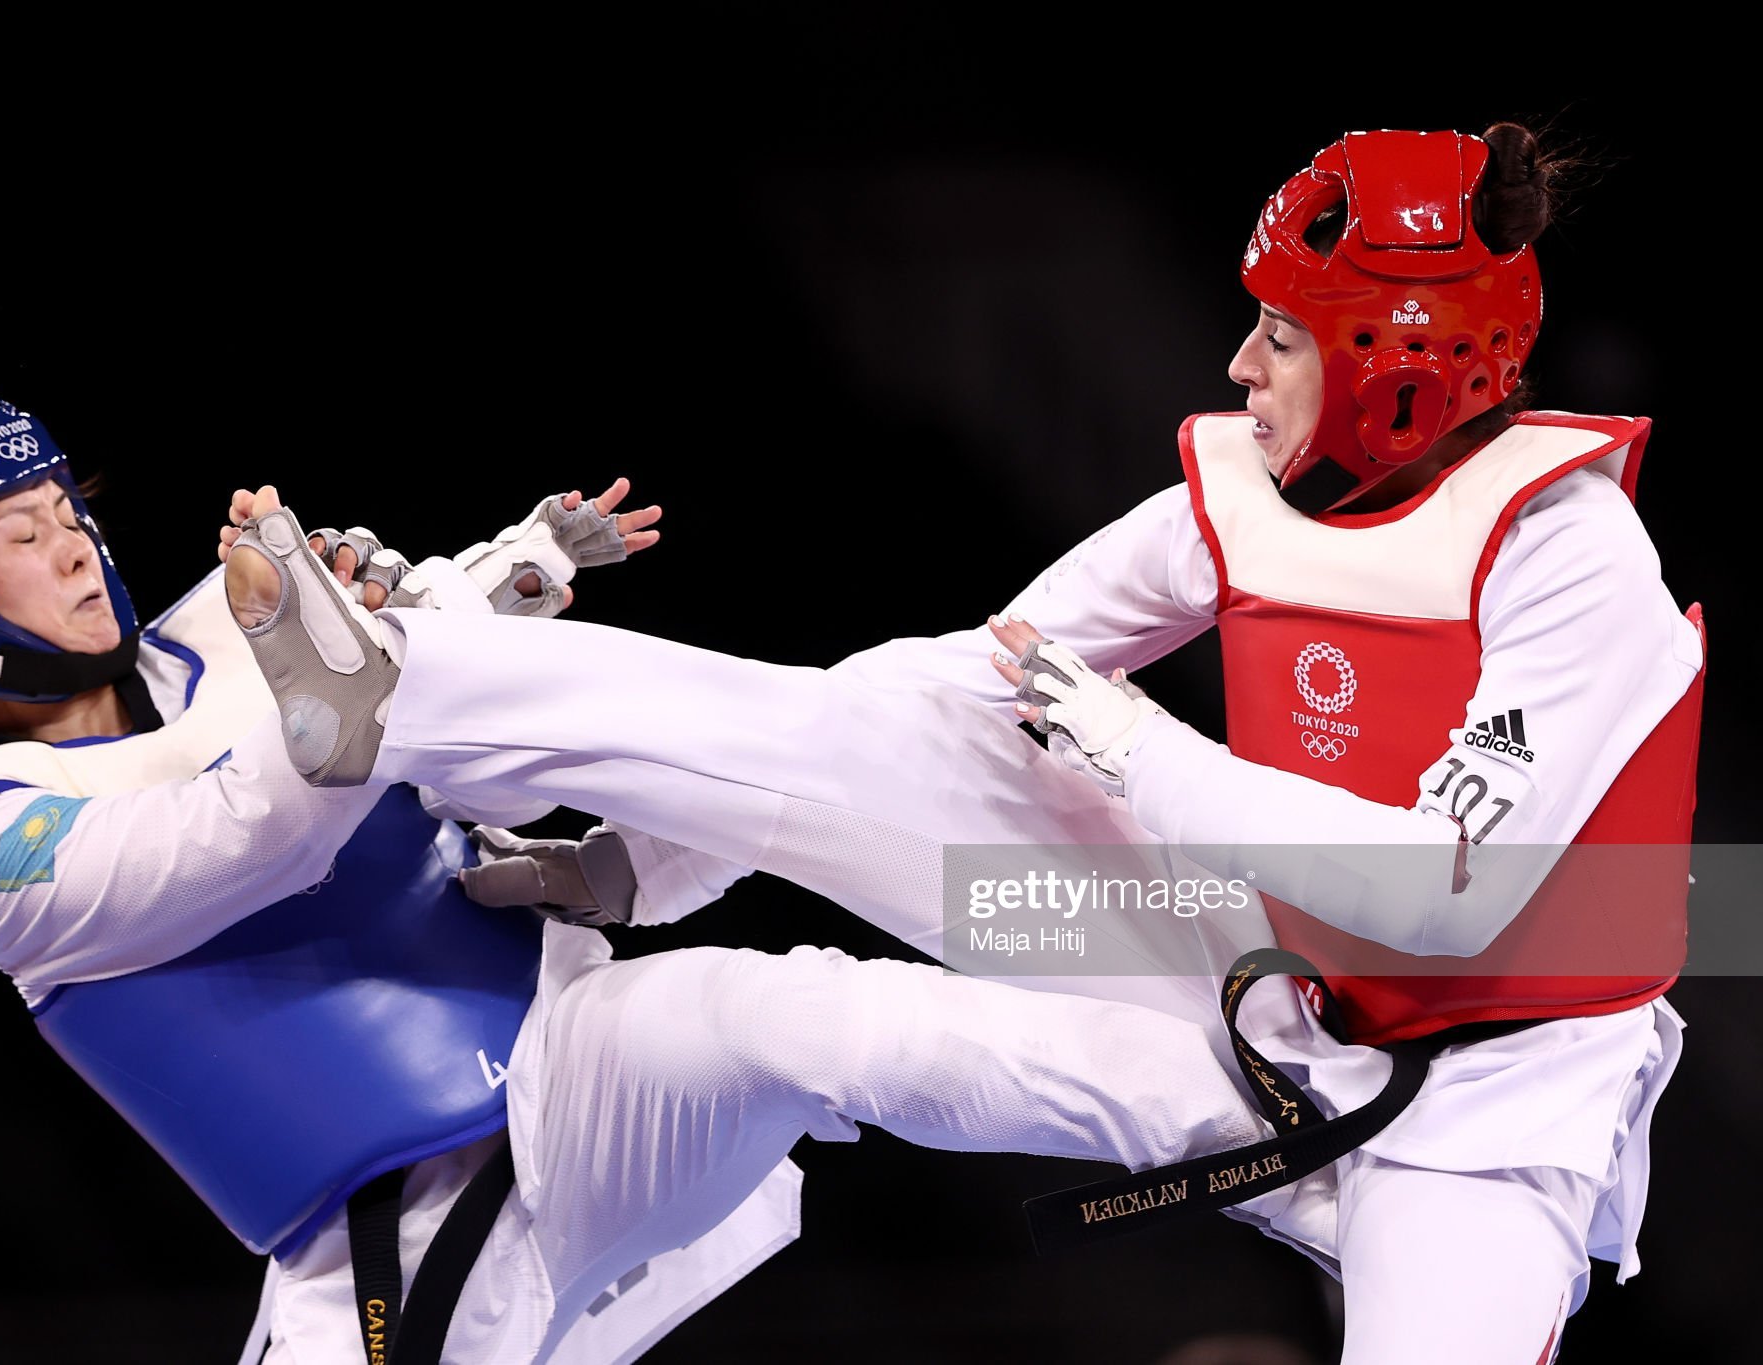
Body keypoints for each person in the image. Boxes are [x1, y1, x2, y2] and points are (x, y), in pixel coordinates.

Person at [219, 123, 1706, 1364]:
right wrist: (653, 862)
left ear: (1399, 358)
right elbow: (955, 686)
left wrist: (1143, 753)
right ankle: (409, 686)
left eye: (1278, 334)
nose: (1240, 366)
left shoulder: (1573, 561)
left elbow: (1443, 897)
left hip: (1485, 1107)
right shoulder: (1249, 498)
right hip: (1251, 982)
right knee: (923, 708)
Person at [0, 378, 1273, 1364]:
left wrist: (505, 576)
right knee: (418, 724)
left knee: (815, 1009)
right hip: (392, 1246)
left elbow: (412, 670)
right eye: (22, 529)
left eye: (69, 506)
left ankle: (1263, 1113)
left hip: (570, 1076)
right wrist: (337, 674)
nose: (74, 544)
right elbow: (245, 837)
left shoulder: (209, 633)